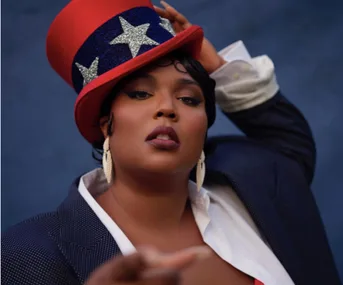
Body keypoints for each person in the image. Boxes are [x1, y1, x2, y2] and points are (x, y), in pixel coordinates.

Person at [2, 0, 340, 284]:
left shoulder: (253, 182)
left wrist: (218, 68)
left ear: (205, 125)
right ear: (106, 125)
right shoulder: (26, 256)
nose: (167, 108)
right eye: (140, 94)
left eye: (190, 99)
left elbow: (289, 143)